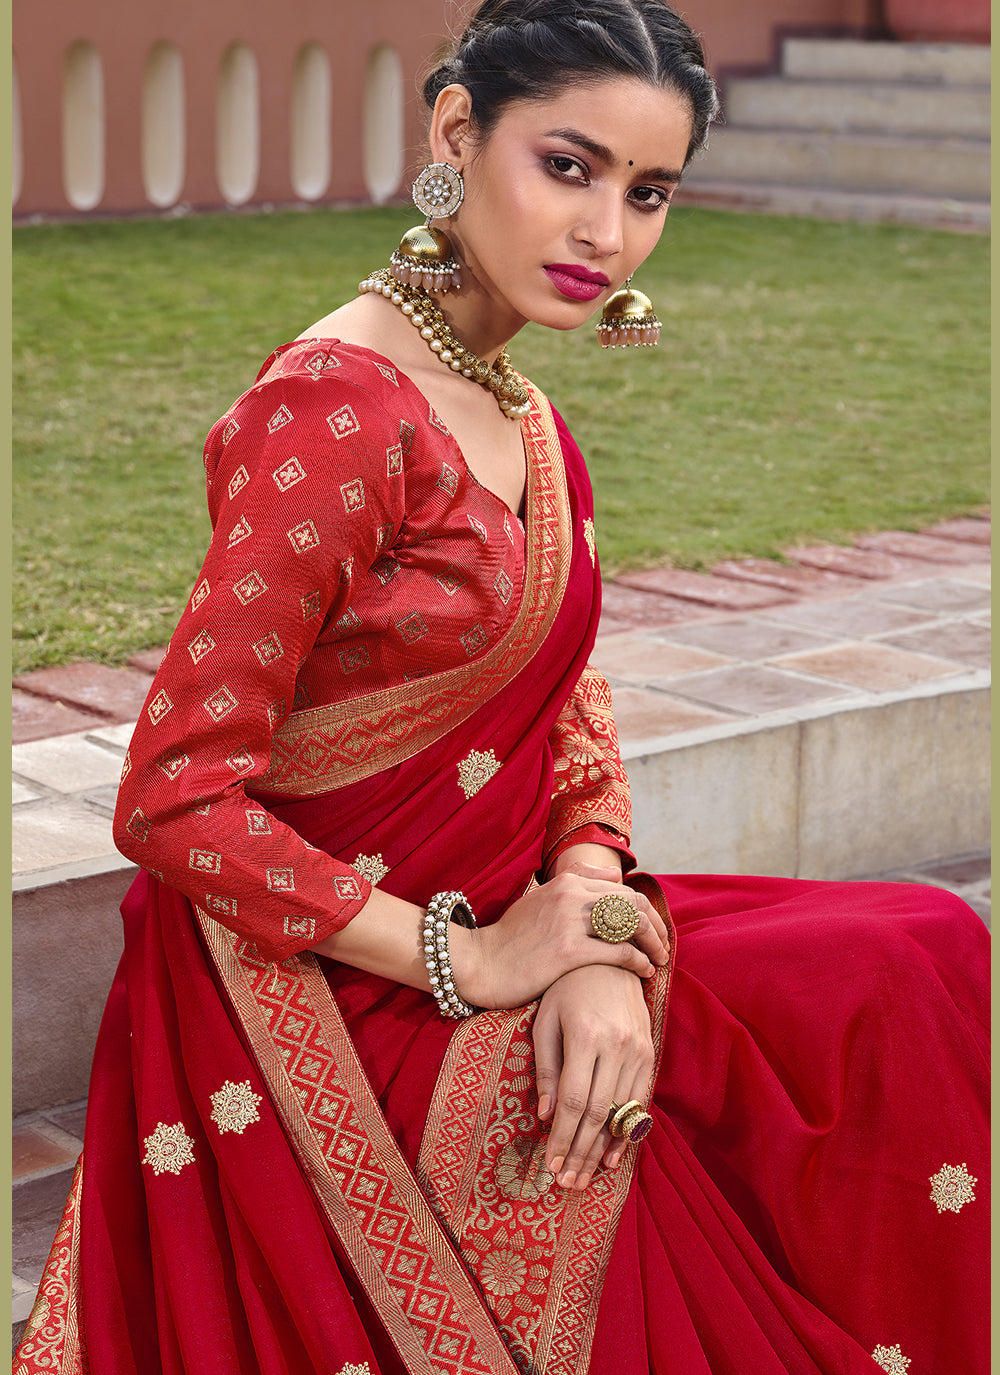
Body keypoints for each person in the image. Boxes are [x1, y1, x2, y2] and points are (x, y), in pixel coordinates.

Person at [16, 2, 988, 1372]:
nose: (609, 234)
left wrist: (591, 932)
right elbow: (174, 798)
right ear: (457, 132)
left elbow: (569, 703)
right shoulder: (334, 415)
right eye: (571, 168)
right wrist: (465, 959)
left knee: (915, 949)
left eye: (649, 193)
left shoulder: (521, 409)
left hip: (520, 916)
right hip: (319, 977)